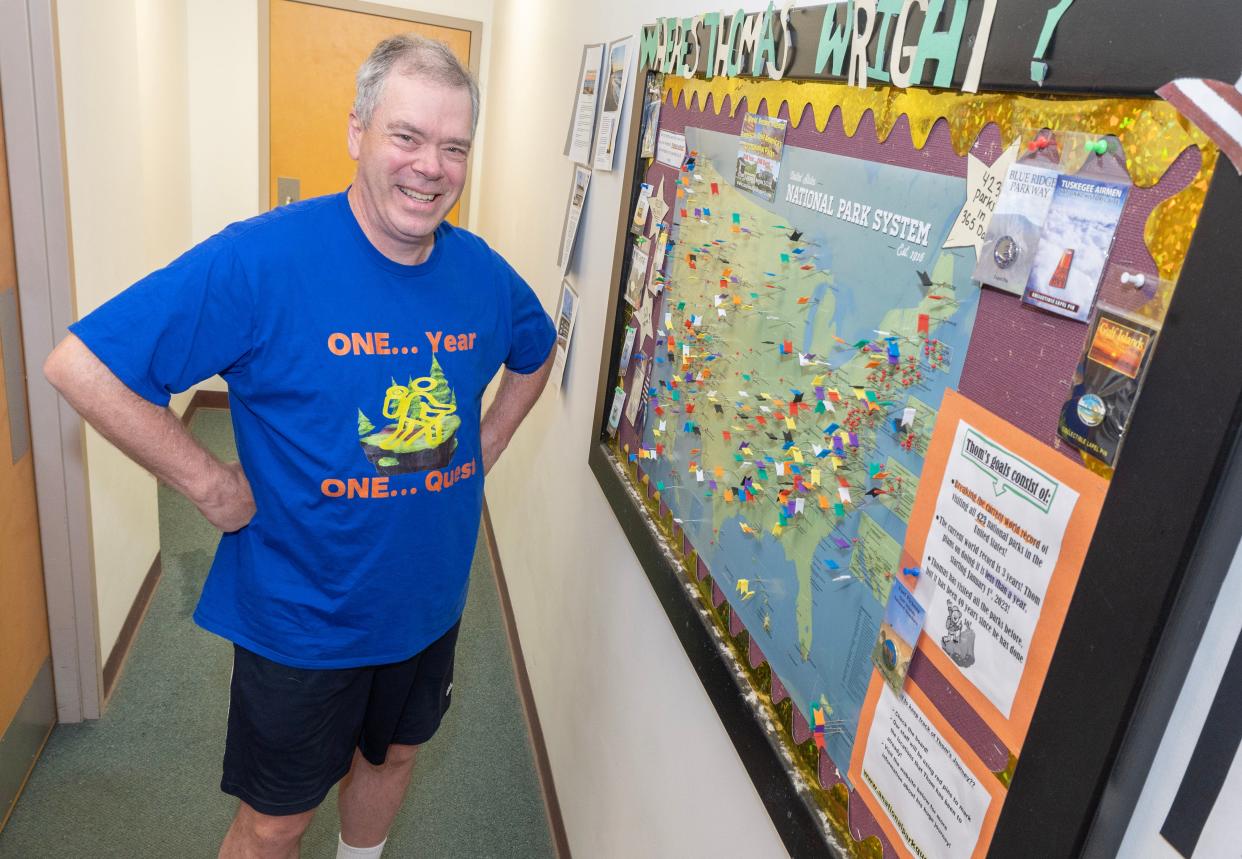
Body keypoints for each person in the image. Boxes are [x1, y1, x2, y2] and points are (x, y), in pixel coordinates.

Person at [43, 34, 554, 859]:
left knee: (394, 757)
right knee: (274, 820)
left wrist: (486, 445)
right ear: (357, 131)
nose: (431, 166)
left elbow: (537, 348)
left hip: (428, 603)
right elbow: (83, 364)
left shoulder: (481, 274)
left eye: (453, 146)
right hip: (303, 618)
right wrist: (210, 486)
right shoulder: (264, 258)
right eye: (407, 137)